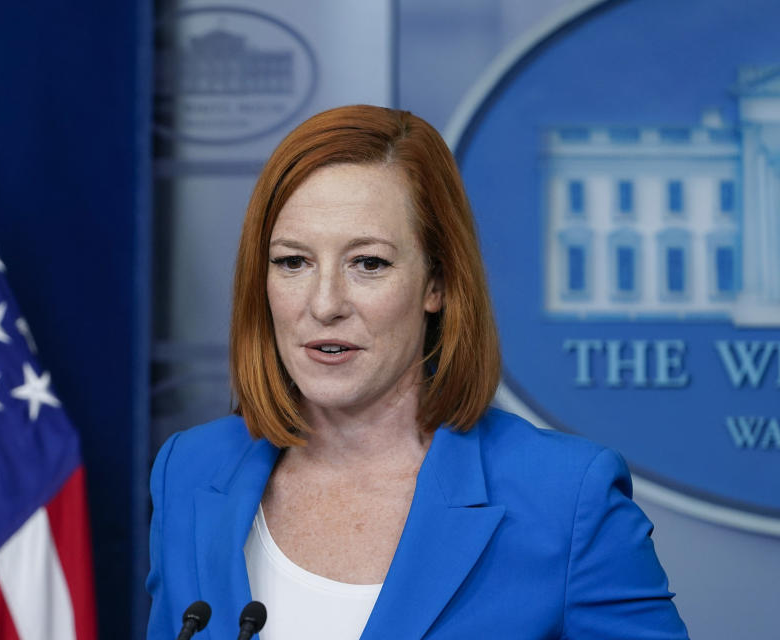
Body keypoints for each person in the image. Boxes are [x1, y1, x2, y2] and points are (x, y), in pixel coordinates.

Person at [146, 105, 689, 640]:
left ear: (439, 284)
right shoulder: (189, 471)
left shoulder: (566, 498)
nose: (325, 303)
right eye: (293, 262)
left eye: (369, 263)